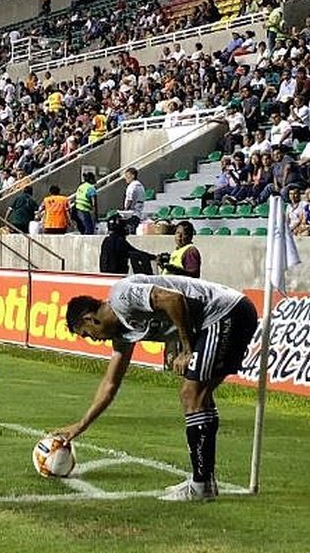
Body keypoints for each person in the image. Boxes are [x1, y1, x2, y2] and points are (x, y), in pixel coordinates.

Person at [55, 274, 259, 501]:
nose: (94, 339)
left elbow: (173, 299)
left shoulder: (121, 296)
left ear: (89, 318)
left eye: (87, 334)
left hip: (225, 312)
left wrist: (186, 347)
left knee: (191, 395)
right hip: (227, 314)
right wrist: (80, 426)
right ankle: (205, 481)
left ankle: (201, 486)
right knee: (199, 397)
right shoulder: (122, 334)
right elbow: (110, 383)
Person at [123, 167, 146, 233]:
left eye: (127, 176)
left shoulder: (132, 186)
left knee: (129, 232)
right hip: (138, 213)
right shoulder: (140, 186)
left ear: (133, 176)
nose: (126, 178)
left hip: (131, 213)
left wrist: (125, 211)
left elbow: (130, 199)